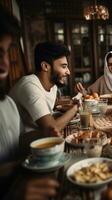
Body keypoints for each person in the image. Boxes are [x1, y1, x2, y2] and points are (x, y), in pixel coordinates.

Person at [0, 6, 59, 199]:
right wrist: (12, 195)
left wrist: (43, 134)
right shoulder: (28, 85)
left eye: (6, 52)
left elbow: (15, 145)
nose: (4, 64)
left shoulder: (6, 104)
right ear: (45, 66)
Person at [9, 42, 78, 140]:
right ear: (45, 66)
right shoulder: (29, 85)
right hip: (17, 149)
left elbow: (48, 113)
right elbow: (52, 129)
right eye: (63, 66)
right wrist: (76, 108)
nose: (68, 71)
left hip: (37, 139)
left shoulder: (53, 85)